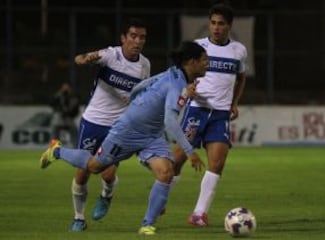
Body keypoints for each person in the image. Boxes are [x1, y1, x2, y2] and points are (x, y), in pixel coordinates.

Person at [39, 41, 208, 235]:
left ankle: (147, 224)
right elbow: (170, 121)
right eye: (204, 60)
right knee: (95, 166)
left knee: (165, 173)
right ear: (192, 62)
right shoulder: (176, 83)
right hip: (127, 131)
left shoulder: (174, 73)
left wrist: (135, 98)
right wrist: (190, 151)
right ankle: (57, 151)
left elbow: (144, 84)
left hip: (152, 135)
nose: (207, 64)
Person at [69, 18, 151, 231]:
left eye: (142, 37)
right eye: (133, 36)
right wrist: (88, 58)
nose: (138, 41)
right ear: (123, 38)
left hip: (118, 126)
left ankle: (106, 194)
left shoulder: (144, 65)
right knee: (82, 172)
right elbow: (79, 59)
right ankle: (79, 218)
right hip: (93, 121)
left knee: (107, 172)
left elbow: (141, 95)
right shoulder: (109, 55)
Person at [171, 3, 248, 227]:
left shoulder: (238, 50)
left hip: (221, 114)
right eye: (213, 23)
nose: (216, 28)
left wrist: (234, 102)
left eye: (221, 24)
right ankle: (161, 199)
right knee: (176, 160)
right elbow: (180, 73)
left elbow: (241, 77)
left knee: (217, 163)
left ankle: (199, 213)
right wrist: (186, 90)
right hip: (197, 109)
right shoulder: (197, 46)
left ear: (229, 26)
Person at [49, 82, 80, 147]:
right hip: (58, 118)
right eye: (64, 88)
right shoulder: (58, 96)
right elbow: (51, 103)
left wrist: (69, 113)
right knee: (54, 136)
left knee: (75, 136)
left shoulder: (73, 97)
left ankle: (77, 149)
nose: (65, 90)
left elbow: (76, 110)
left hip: (69, 119)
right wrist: (58, 95)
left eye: (67, 88)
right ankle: (54, 150)